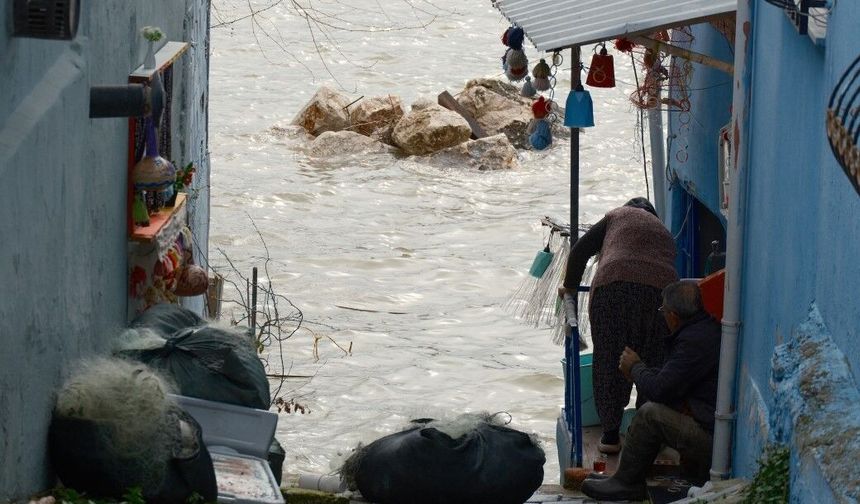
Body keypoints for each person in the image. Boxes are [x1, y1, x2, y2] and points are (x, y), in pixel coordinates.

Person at [581, 280, 722, 501]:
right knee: (654, 407)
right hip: (709, 425)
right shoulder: (701, 331)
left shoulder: (694, 341)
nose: (662, 316)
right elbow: (669, 377)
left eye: (663, 311)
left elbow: (659, 390)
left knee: (650, 414)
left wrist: (636, 367)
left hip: (710, 438)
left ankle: (626, 483)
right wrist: (642, 371)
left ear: (673, 316)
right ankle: (627, 476)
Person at [558, 197, 677, 453]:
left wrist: (569, 286)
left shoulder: (617, 215)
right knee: (652, 360)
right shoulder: (663, 231)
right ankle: (647, 436)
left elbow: (580, 250)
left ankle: (610, 436)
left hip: (613, 287)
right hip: (659, 294)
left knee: (609, 358)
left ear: (629, 207)